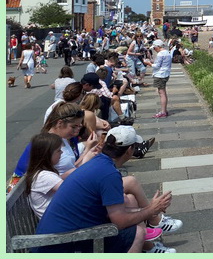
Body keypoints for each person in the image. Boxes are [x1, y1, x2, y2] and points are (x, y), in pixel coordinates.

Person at [33, 126, 177, 253]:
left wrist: (148, 210)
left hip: (56, 240)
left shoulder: (99, 162)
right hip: (61, 244)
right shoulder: (109, 173)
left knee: (132, 217)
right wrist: (151, 210)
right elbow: (120, 221)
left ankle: (150, 238)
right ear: (129, 150)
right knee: (137, 233)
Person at [143, 39, 172, 118]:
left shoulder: (160, 54)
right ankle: (164, 110)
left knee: (161, 93)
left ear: (158, 47)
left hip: (160, 75)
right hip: (166, 74)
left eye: (155, 48)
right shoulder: (167, 52)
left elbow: (156, 66)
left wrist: (148, 63)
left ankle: (163, 111)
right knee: (163, 93)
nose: (154, 49)